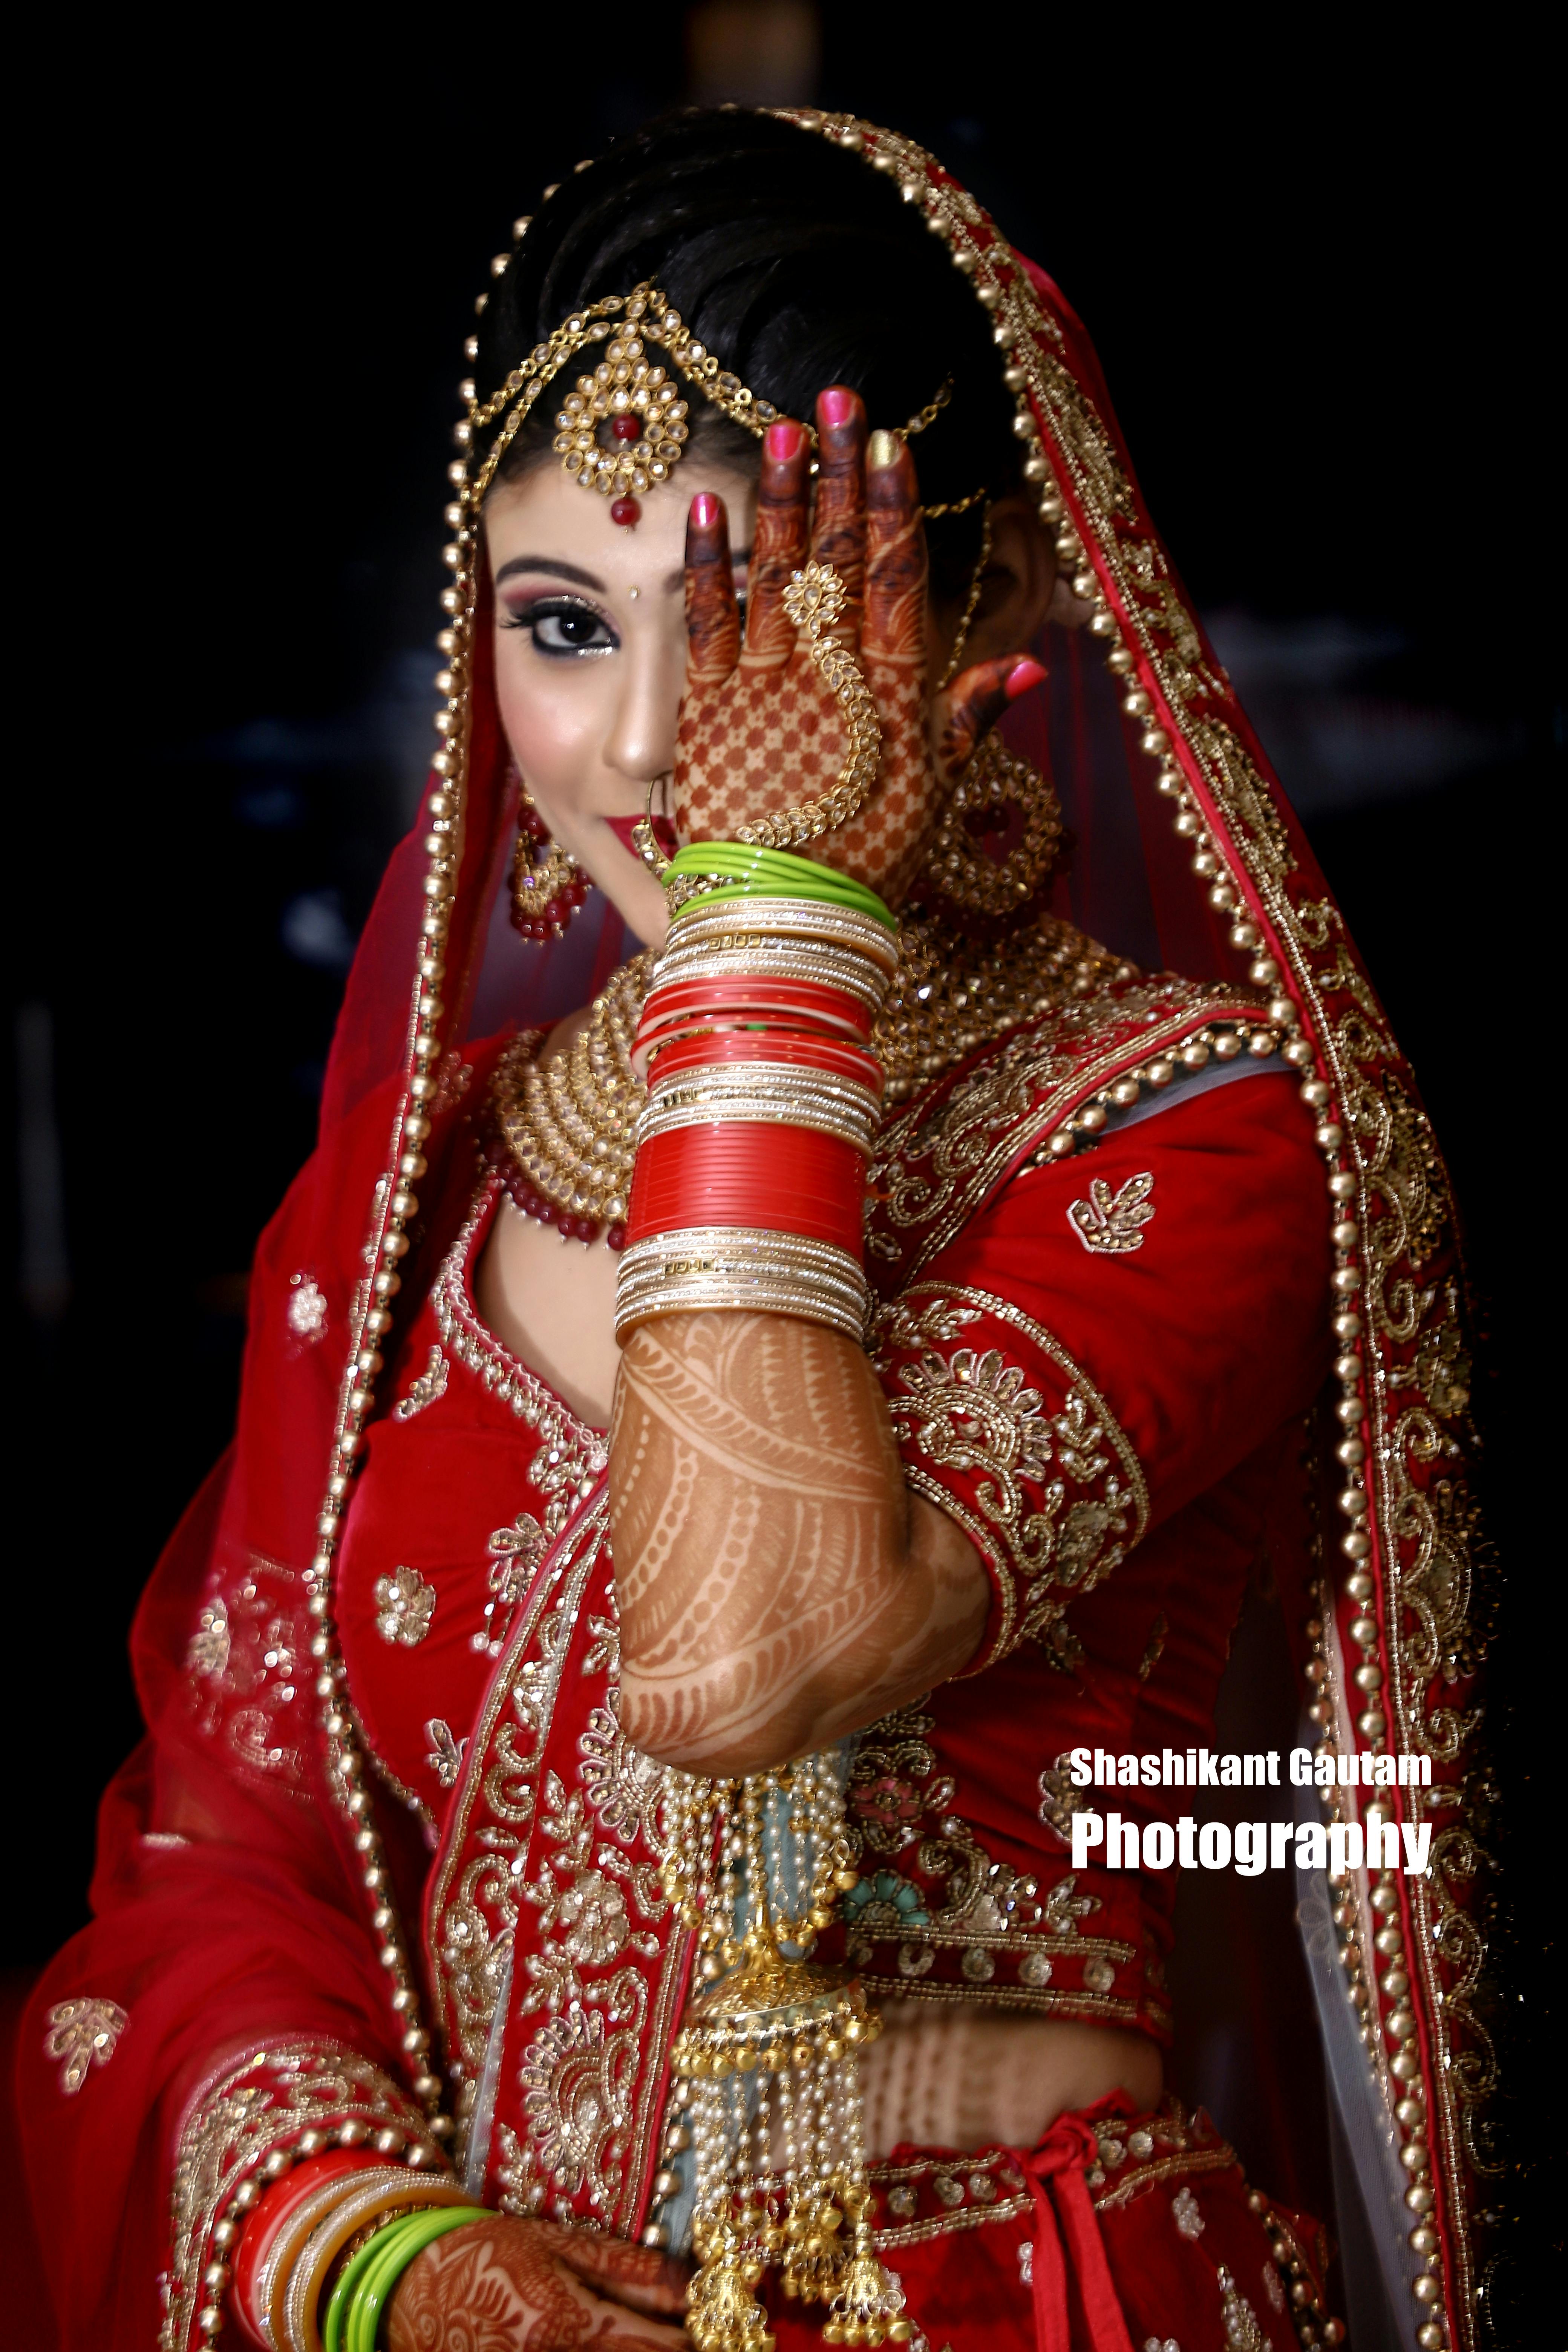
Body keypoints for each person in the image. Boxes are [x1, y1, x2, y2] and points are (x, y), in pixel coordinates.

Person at [18, 107, 1490, 2352]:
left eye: (752, 622)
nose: (636, 743)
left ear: (996, 600)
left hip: (1018, 2305)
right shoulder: (432, 1185)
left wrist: (775, 924)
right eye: (556, 624)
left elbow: (744, 1656)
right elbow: (232, 1863)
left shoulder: (1189, 1130)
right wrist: (386, 2259)